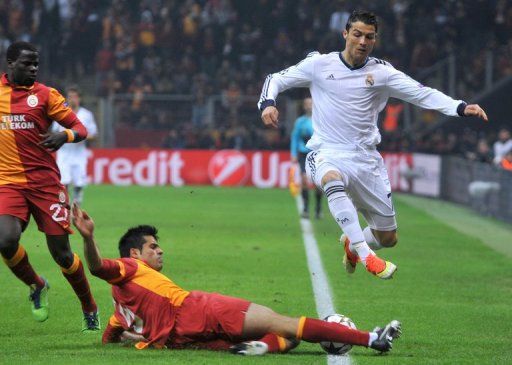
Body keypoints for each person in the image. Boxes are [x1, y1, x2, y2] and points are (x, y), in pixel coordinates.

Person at [258, 11, 488, 280]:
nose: (362, 41)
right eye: (357, 34)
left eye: (369, 36)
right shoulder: (319, 65)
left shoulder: (382, 73)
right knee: (332, 179)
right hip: (327, 151)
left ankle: (351, 242)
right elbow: (275, 78)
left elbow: (421, 93)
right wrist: (268, 103)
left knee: (388, 237)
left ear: (375, 40)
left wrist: (459, 107)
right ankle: (366, 255)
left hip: (366, 160)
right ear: (345, 34)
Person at [71, 203, 402, 355]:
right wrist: (88, 237)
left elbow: (109, 339)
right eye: (152, 247)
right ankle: (371, 339)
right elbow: (98, 267)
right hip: (196, 309)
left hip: (180, 340)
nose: (159, 251)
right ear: (135, 255)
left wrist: (131, 339)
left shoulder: (119, 307)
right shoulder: (130, 269)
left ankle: (260, 348)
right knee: (283, 323)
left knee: (285, 339)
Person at [0, 41, 100, 331]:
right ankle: (36, 284)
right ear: (10, 64)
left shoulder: (46, 95)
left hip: (45, 184)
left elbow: (81, 129)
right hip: (8, 183)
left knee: (62, 253)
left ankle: (89, 306)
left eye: (36, 64)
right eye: (26, 64)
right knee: (5, 240)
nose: (33, 69)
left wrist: (64, 136)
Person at [51, 86, 98, 206]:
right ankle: (64, 207)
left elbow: (93, 134)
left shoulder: (86, 115)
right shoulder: (61, 113)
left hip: (79, 153)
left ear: (80, 98)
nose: (72, 99)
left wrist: (78, 136)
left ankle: (76, 209)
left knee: (78, 184)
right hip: (64, 153)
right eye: (70, 97)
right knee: (63, 182)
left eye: (75, 97)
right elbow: (54, 132)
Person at [290, 97, 322, 219]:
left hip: (317, 154)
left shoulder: (320, 120)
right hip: (303, 154)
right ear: (304, 106)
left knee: (318, 183)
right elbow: (295, 138)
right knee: (304, 180)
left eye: (311, 104)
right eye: (307, 104)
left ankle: (318, 208)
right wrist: (293, 153)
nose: (309, 106)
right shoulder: (300, 122)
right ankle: (306, 208)